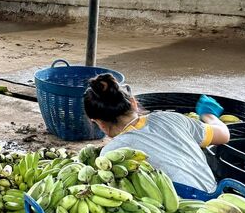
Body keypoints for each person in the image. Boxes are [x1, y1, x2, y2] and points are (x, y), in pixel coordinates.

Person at [84, 74, 230, 192]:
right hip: (216, 194)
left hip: (180, 209)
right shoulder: (171, 118)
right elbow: (224, 135)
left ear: (99, 123)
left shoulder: (110, 155)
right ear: (133, 102)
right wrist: (208, 114)